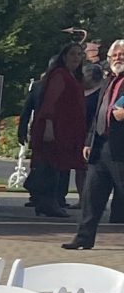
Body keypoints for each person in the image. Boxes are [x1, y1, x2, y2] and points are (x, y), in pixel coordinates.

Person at [65, 37, 124, 248]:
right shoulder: (108, 81)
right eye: (114, 55)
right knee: (92, 194)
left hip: (121, 148)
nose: (118, 58)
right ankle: (84, 238)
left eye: (122, 55)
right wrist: (89, 140)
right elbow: (99, 111)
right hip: (101, 146)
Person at [24, 42, 85, 219]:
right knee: (50, 165)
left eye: (79, 54)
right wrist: (48, 125)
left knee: (56, 165)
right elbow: (50, 101)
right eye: (72, 54)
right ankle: (47, 202)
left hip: (66, 128)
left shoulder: (73, 76)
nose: (76, 58)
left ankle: (47, 203)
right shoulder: (59, 75)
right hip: (54, 128)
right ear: (64, 56)